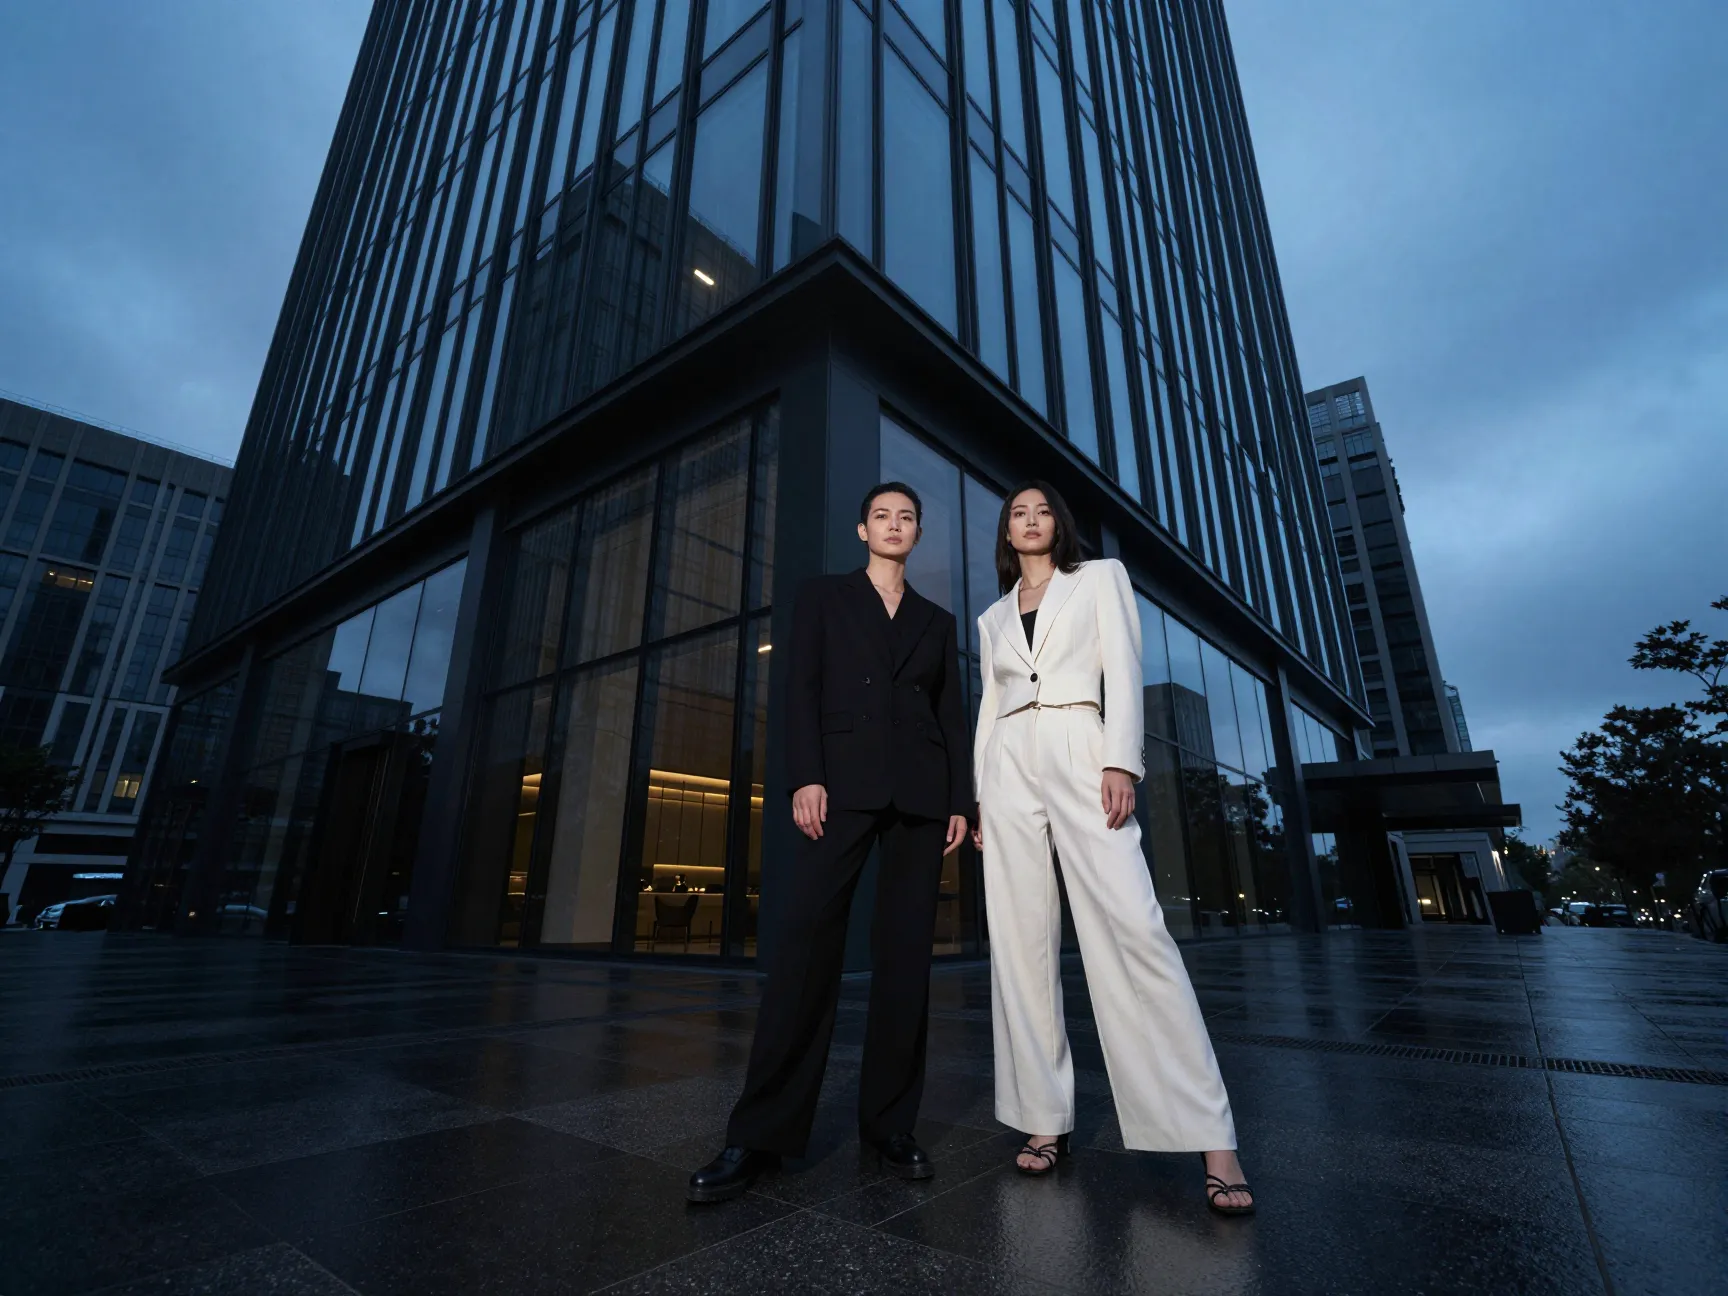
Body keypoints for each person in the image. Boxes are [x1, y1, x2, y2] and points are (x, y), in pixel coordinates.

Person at [971, 481, 1255, 1216]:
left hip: (1080, 743)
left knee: (1136, 932)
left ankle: (1211, 1138)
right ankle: (1043, 1118)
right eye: (1016, 515)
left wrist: (1120, 759)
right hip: (1008, 768)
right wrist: (980, 795)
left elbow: (1123, 669)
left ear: (1056, 525)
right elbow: (989, 708)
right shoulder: (992, 617)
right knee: (1020, 946)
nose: (1029, 521)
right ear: (1006, 534)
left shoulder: (1098, 579)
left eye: (1040, 511)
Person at [688, 482, 973, 1203]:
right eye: (883, 515)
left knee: (906, 959)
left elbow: (953, 715)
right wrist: (803, 778)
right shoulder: (822, 597)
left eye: (908, 516)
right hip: (838, 787)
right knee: (804, 946)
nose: (895, 524)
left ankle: (890, 1128)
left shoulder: (937, 622)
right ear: (861, 528)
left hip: (918, 796)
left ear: (916, 532)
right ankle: (759, 1135)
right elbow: (798, 691)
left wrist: (959, 802)